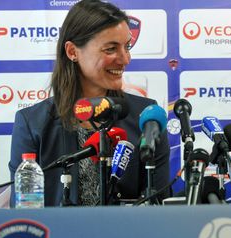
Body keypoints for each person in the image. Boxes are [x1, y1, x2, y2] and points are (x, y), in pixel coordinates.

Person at [9, 0, 171, 207]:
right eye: (111, 49)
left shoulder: (146, 118)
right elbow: (24, 214)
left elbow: (159, 204)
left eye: (127, 47)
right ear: (72, 52)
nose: (125, 59)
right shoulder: (32, 123)